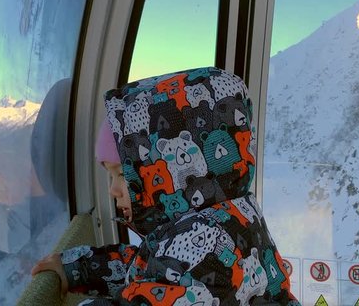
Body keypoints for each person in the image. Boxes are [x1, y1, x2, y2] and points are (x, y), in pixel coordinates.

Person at [32, 67, 299, 305]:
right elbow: (149, 265)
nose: (113, 190)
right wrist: (81, 269)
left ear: (170, 171)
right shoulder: (231, 216)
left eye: (121, 176)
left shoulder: (206, 254)